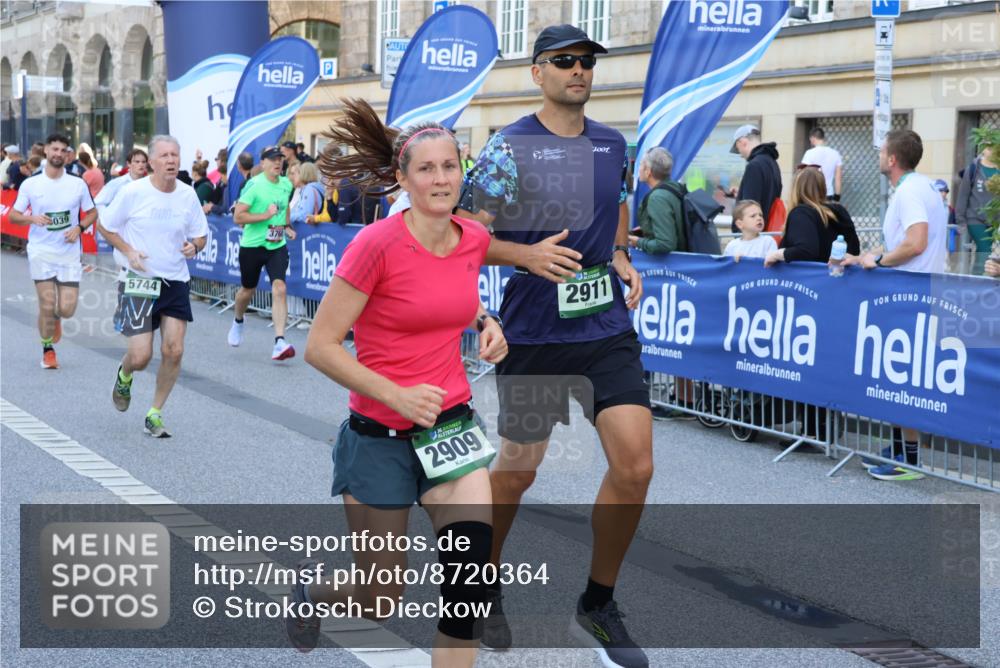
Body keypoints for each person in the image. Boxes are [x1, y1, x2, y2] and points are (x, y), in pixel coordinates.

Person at [284, 99, 507, 668]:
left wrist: (486, 322)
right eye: (427, 169)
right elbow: (320, 345)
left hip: (451, 433)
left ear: (463, 171)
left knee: (468, 592)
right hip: (379, 436)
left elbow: (452, 294)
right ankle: (312, 595)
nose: (440, 178)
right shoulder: (375, 244)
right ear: (404, 179)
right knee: (379, 598)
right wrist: (395, 393)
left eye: (449, 166)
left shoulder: (472, 237)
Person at [457, 24, 651, 667]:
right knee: (517, 473)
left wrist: (620, 253)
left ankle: (597, 606)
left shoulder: (611, 142)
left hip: (603, 331)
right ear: (537, 72)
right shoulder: (508, 148)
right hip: (535, 329)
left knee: (636, 466)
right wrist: (525, 253)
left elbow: (618, 202)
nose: (579, 71)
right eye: (564, 61)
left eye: (587, 61)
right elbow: (467, 235)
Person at [841, 129, 948, 481]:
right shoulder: (924, 187)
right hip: (917, 290)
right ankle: (902, 448)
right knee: (899, 375)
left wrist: (882, 261)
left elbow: (915, 243)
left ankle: (910, 461)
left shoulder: (910, 192)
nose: (878, 155)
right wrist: (869, 258)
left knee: (902, 377)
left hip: (911, 294)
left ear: (892, 159)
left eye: (881, 150)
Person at [98, 135, 208, 438]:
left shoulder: (187, 195)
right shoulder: (133, 192)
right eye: (165, 156)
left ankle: (155, 412)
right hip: (138, 281)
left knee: (174, 350)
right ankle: (125, 374)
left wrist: (195, 247)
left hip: (174, 280)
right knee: (141, 356)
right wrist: (128, 250)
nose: (171, 160)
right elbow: (104, 225)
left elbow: (201, 234)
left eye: (175, 155)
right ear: (152, 162)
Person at [8, 133, 97, 369]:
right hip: (41, 251)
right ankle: (47, 349)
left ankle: (56, 319)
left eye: (63, 150)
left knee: (66, 309)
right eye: (54, 149)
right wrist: (32, 218)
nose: (58, 153)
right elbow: (13, 216)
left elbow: (92, 213)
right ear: (46, 151)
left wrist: (79, 228)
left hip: (68, 253)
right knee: (46, 304)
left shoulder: (77, 184)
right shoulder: (31, 184)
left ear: (68, 155)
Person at [629, 146, 694, 421]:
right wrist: (645, 232)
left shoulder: (657, 197)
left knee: (672, 337)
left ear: (648, 171)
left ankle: (683, 401)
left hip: (668, 277)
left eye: (642, 164)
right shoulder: (675, 190)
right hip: (681, 274)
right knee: (678, 340)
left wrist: (635, 241)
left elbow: (666, 243)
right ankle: (683, 399)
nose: (639, 168)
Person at [228, 146, 297, 360]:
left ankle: (279, 341)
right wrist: (265, 215)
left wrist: (286, 226)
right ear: (263, 163)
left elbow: (284, 206)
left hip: (276, 246)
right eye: (273, 159)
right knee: (247, 290)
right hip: (253, 245)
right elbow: (238, 217)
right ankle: (238, 320)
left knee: (280, 287)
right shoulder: (254, 185)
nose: (278, 163)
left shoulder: (286, 184)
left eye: (280, 159)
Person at [764, 167, 860, 267]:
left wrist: (776, 254)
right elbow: (854, 249)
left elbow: (806, 250)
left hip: (810, 280)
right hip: (841, 278)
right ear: (823, 187)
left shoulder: (801, 213)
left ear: (796, 189)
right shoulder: (839, 211)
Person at [730, 124, 782, 232]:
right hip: (767, 232)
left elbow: (750, 208)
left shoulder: (754, 166)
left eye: (737, 148)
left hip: (753, 237)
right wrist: (741, 193)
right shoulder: (772, 163)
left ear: (743, 142)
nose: (740, 154)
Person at [95, 149, 148, 218]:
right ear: (128, 164)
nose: (141, 164)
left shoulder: (149, 184)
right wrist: (108, 219)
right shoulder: (117, 183)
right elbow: (98, 203)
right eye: (137, 162)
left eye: (143, 162)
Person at [955, 144, 997, 231]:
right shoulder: (973, 169)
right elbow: (963, 195)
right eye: (989, 146)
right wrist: (960, 220)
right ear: (982, 149)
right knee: (985, 245)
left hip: (996, 221)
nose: (992, 150)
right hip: (975, 220)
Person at [800, 127, 843, 200]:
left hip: (813, 194)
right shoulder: (836, 154)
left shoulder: (809, 153)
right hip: (829, 194)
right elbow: (838, 178)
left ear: (813, 138)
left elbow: (802, 174)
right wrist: (837, 196)